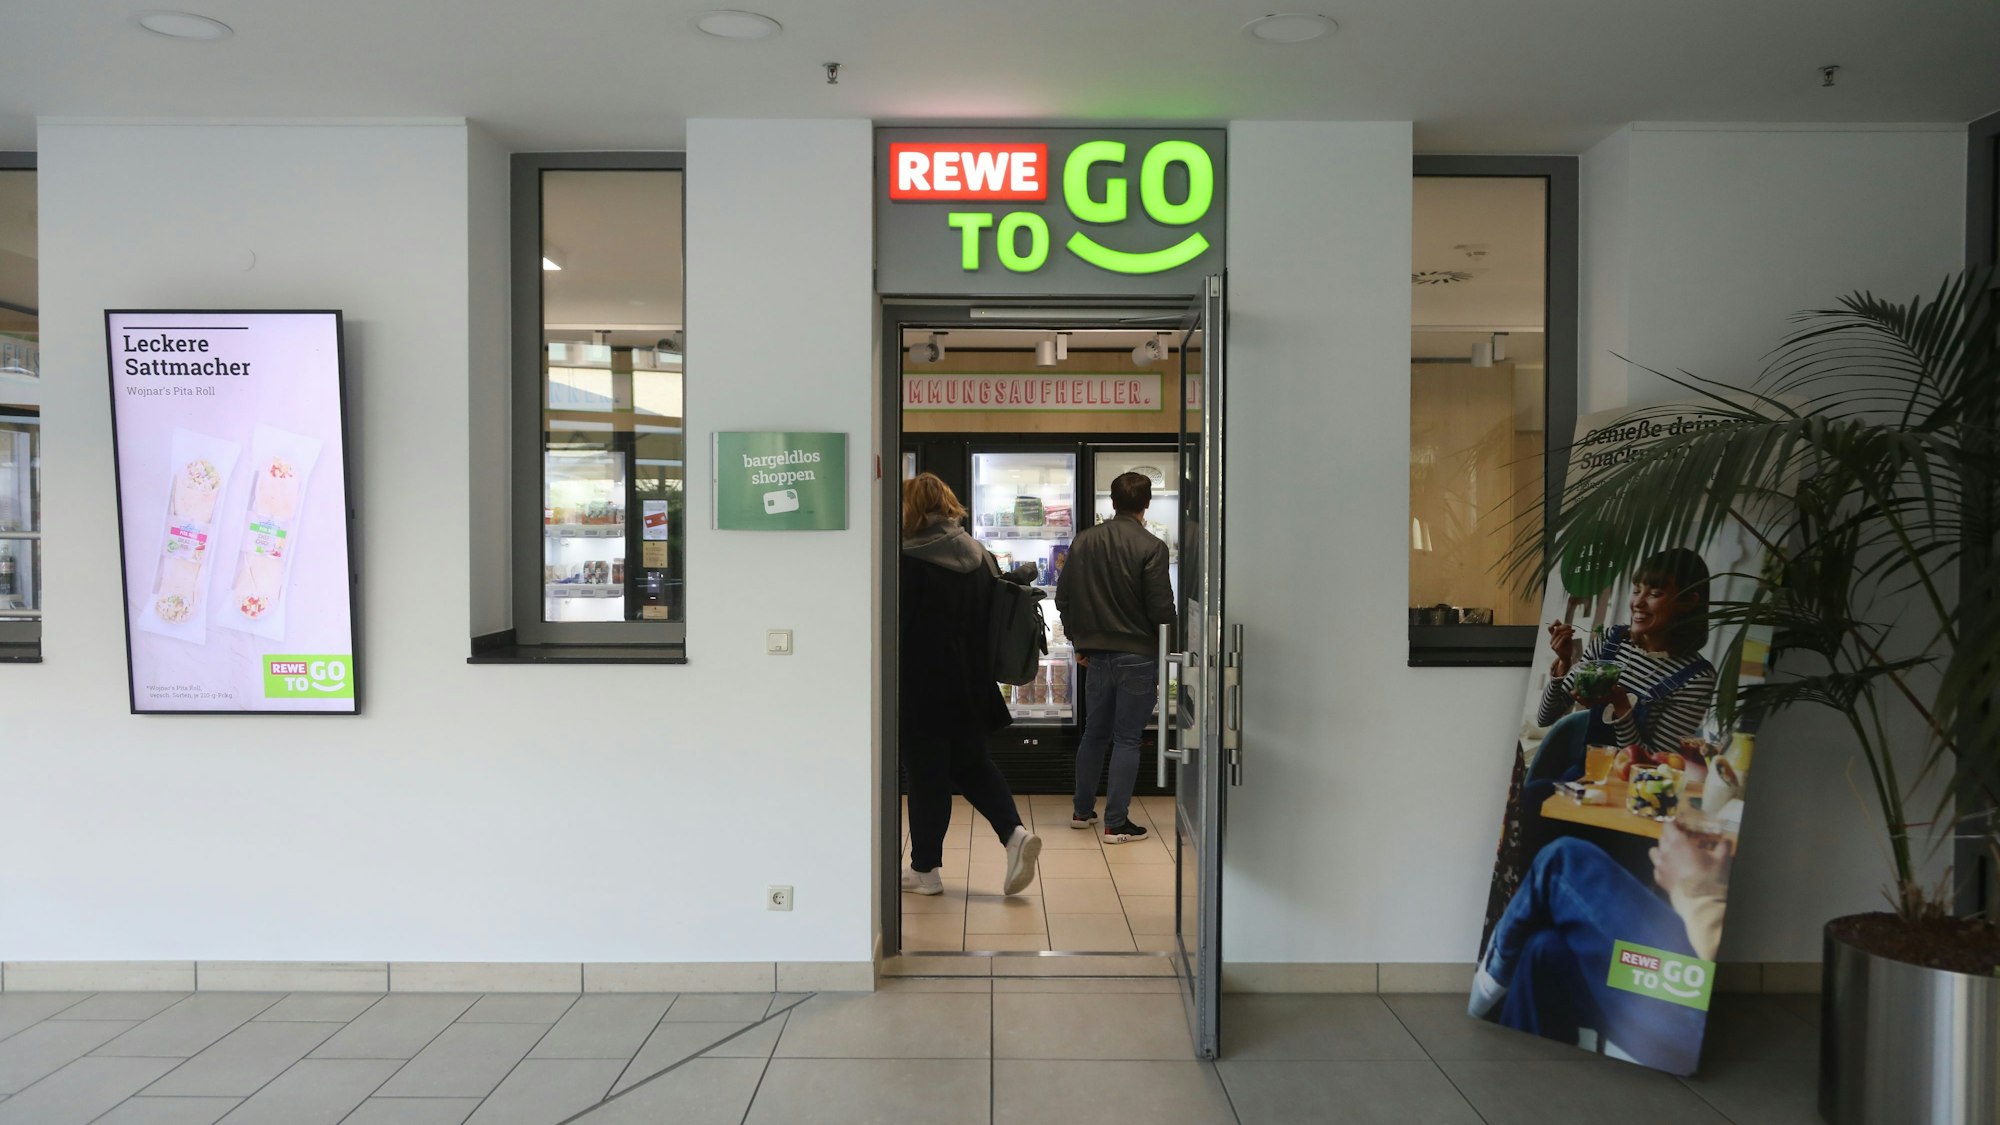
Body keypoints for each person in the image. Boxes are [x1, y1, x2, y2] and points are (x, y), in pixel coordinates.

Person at [1470, 822, 1731, 1075]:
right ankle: (1515, 1079)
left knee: (1563, 860)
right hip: (1689, 992)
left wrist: (1696, 889)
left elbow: (1709, 945)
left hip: (1694, 1003)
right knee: (1544, 949)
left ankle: (1486, 988)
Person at [900, 473, 1042, 898]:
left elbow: (897, 629)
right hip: (973, 683)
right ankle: (1014, 835)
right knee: (972, 764)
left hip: (921, 685)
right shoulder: (980, 555)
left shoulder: (906, 560)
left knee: (926, 776)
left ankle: (925, 871)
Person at [1527, 547, 1719, 789]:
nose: (1638, 602)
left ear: (1688, 602)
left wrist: (1621, 708)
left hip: (1633, 793)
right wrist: (1564, 663)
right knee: (1532, 791)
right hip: (1584, 776)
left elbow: (1655, 768)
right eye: (1636, 590)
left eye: (1655, 593)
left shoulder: (1696, 678)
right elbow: (1545, 717)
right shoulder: (1611, 641)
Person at [1056, 471, 1176, 844]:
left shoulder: (1084, 540)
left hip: (1096, 656)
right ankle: (1116, 823)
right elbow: (1160, 609)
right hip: (1138, 655)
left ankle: (1082, 812)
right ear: (1147, 503)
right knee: (1127, 738)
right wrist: (1168, 648)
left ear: (1112, 502)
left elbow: (1063, 598)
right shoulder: (1152, 546)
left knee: (1094, 734)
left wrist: (1079, 642)